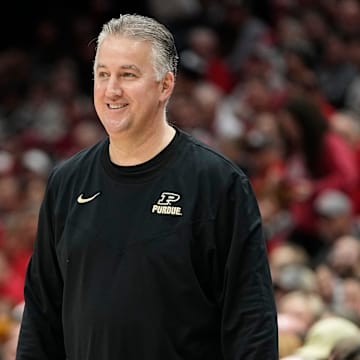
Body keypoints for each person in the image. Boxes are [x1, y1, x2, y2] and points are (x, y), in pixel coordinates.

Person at [15, 14, 278, 359]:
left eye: (128, 75)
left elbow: (251, 321)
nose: (112, 90)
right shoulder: (67, 182)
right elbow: (41, 315)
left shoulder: (217, 183)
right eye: (103, 74)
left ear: (165, 85)